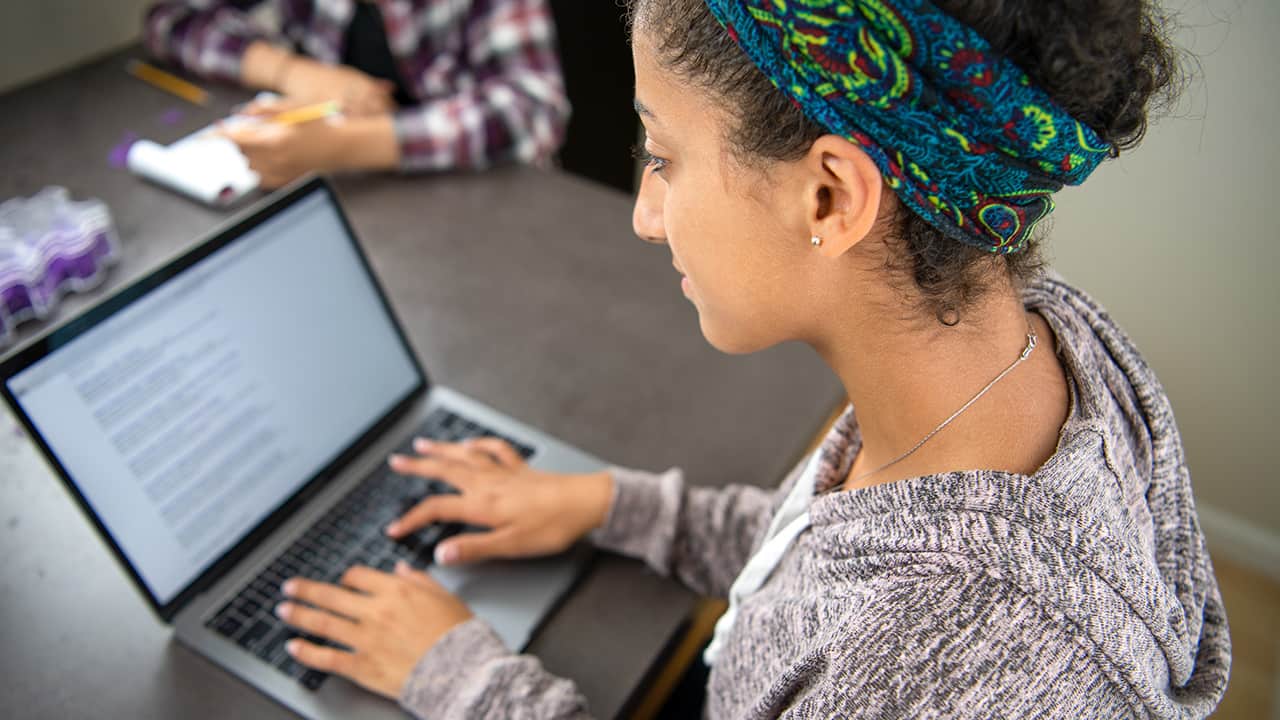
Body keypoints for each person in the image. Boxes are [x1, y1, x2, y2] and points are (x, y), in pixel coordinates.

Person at [265, 0, 1232, 717]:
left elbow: (872, 620)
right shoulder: (1020, 348)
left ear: (828, 198)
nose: (646, 214)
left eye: (663, 155)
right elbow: (823, 553)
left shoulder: (967, 673)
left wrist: (464, 677)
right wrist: (610, 506)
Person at [142, 0, 570, 188]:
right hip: (344, 195)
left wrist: (343, 146)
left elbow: (534, 108)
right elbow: (170, 20)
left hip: (477, 197)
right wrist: (293, 72)